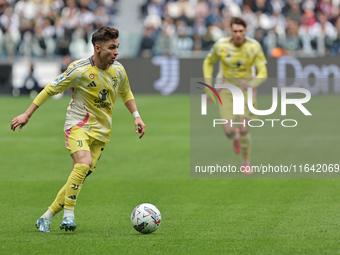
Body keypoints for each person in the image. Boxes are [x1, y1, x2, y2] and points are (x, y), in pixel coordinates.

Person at [10, 27, 145, 232]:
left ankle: (46, 217)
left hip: (102, 132)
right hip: (77, 125)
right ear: (97, 48)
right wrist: (27, 114)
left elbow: (126, 92)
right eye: (111, 48)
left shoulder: (118, 70)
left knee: (80, 174)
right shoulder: (79, 69)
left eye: (117, 47)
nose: (116, 52)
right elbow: (50, 88)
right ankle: (68, 216)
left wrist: (136, 116)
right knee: (83, 164)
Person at [203, 17, 267, 174]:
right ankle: (235, 137)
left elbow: (263, 72)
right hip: (226, 92)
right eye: (235, 31)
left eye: (241, 31)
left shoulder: (254, 47)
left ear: (246, 31)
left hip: (246, 92)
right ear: (230, 31)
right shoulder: (221, 46)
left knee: (245, 129)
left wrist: (251, 84)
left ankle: (246, 162)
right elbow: (208, 62)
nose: (238, 34)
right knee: (228, 131)